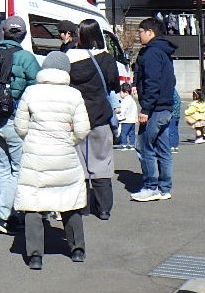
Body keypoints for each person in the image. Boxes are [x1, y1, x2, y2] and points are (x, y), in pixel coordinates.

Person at [13, 51, 91, 268]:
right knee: (69, 201)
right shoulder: (74, 95)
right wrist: (70, 139)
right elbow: (83, 129)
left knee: (33, 202)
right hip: (64, 154)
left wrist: (32, 138)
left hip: (35, 156)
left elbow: (20, 126)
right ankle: (77, 249)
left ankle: (35, 255)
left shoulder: (31, 92)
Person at [0, 16, 41, 235]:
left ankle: (12, 215)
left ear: (3, 32)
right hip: (15, 120)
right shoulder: (26, 58)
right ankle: (0, 213)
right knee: (19, 169)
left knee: (3, 168)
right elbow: (37, 88)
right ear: (24, 35)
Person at [65, 18, 120, 220]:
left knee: (78, 163)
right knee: (102, 161)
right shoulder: (106, 58)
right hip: (100, 115)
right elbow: (113, 84)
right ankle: (104, 208)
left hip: (75, 116)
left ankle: (83, 206)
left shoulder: (68, 57)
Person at [131, 18, 177, 202]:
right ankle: (164, 187)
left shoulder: (151, 53)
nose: (139, 35)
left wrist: (146, 108)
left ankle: (151, 187)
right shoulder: (164, 51)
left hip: (155, 108)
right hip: (165, 106)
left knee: (144, 147)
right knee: (163, 149)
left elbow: (152, 82)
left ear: (150, 32)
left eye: (141, 31)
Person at [116, 83, 138, 149]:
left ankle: (123, 144)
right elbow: (135, 109)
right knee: (131, 133)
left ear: (126, 92)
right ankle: (132, 144)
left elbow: (123, 110)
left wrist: (119, 116)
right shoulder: (132, 100)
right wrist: (136, 118)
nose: (120, 94)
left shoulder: (125, 101)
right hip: (132, 120)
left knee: (124, 133)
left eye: (121, 92)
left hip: (126, 120)